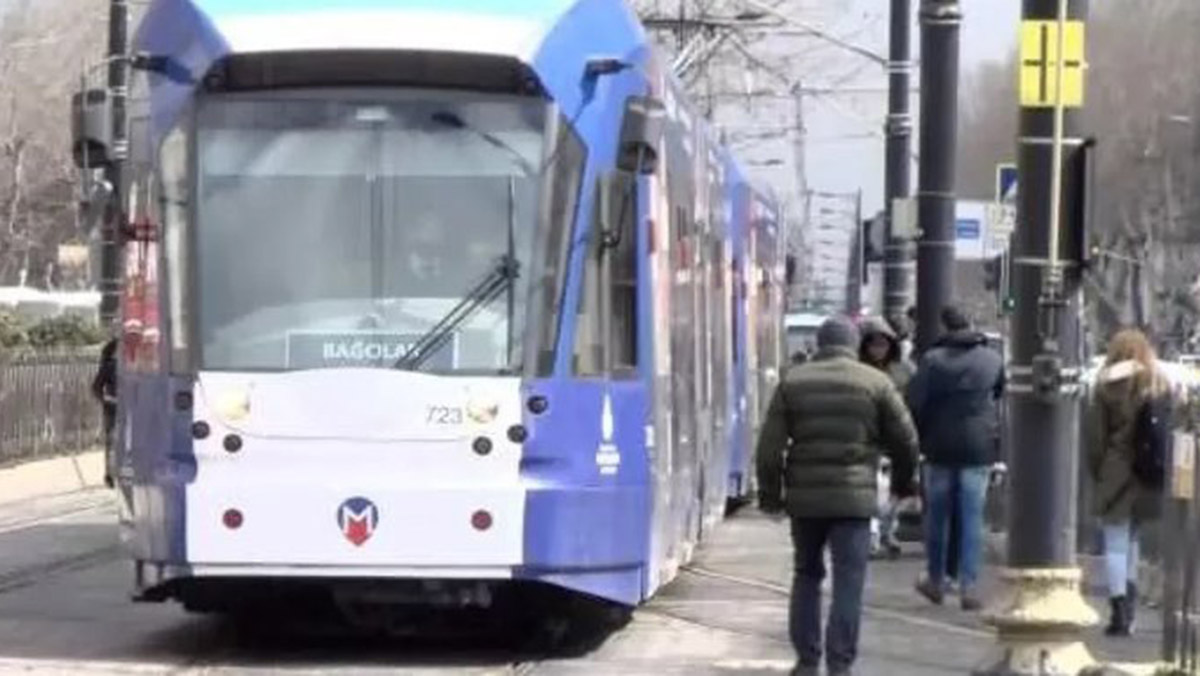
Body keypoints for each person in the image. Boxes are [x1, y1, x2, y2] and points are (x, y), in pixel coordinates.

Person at [757, 316, 919, 676]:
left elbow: (768, 448)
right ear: (853, 344)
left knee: (807, 574)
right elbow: (906, 440)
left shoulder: (793, 382)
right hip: (854, 499)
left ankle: (807, 660)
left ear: (819, 343)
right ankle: (841, 663)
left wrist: (771, 495)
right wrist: (904, 483)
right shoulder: (876, 382)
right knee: (849, 580)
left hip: (806, 500)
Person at [908, 306, 1004, 612]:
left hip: (939, 447)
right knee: (972, 518)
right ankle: (969, 585)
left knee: (937, 517)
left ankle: (936, 580)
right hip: (977, 448)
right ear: (972, 325)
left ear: (944, 328)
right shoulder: (992, 360)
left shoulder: (933, 361)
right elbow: (999, 395)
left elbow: (916, 403)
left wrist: (921, 439)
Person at [1087, 328, 1169, 636]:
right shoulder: (1156, 381)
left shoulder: (1107, 384)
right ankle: (1131, 607)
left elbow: (1096, 438)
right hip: (1148, 473)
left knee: (1116, 543)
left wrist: (1098, 471)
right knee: (1133, 540)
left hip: (1116, 470)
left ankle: (1119, 607)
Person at [859, 318, 915, 559]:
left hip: (896, 440)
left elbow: (912, 403)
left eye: (883, 345)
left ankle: (887, 531)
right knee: (875, 492)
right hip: (870, 440)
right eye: (874, 345)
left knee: (895, 493)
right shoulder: (861, 370)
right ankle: (873, 536)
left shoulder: (904, 371)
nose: (878, 350)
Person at [91, 337, 118, 488]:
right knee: (113, 442)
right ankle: (110, 475)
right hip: (113, 410)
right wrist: (107, 400)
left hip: (132, 410)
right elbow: (96, 388)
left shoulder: (134, 365)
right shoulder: (109, 366)